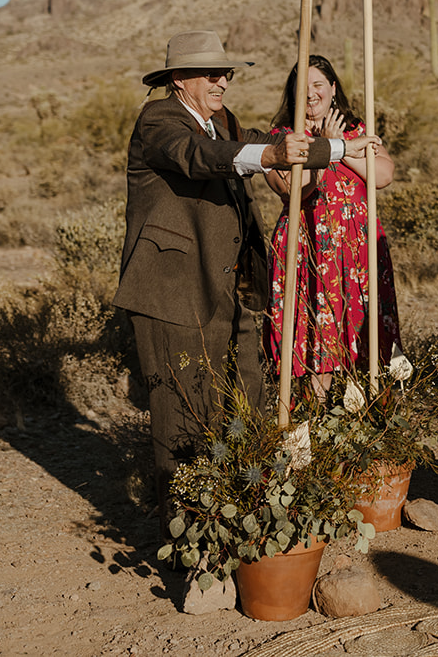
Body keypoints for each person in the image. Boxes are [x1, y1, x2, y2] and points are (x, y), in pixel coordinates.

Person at [113, 30, 373, 534]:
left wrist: (339, 145)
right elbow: (198, 157)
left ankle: (239, 522)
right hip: (172, 289)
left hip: (231, 289)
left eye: (226, 73)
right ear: (178, 79)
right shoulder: (159, 121)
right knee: (181, 412)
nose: (222, 81)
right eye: (211, 73)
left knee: (240, 400)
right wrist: (273, 157)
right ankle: (189, 537)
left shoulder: (223, 123)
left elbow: (261, 143)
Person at [263, 54, 400, 388]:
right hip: (308, 246)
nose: (311, 94)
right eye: (302, 87)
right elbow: (297, 189)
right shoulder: (282, 139)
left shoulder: (357, 130)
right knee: (314, 331)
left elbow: (383, 175)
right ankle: (315, 419)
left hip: (358, 248)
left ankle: (367, 416)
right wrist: (328, 148)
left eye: (318, 85)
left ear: (333, 88)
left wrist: (345, 146)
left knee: (364, 330)